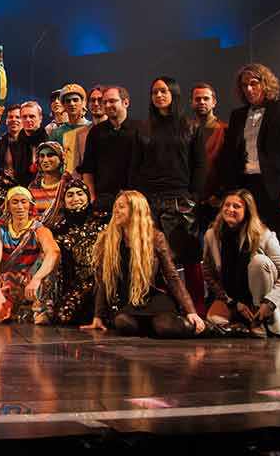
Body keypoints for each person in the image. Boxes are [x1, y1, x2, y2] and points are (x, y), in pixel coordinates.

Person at [218, 63, 280, 274]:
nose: (249, 89)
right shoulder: (237, 115)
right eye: (244, 85)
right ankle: (253, 293)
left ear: (265, 83)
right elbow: (229, 158)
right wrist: (229, 192)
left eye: (254, 83)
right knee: (247, 245)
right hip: (246, 188)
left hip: (276, 190)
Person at [82, 191, 204, 337]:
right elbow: (103, 280)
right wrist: (98, 316)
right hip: (132, 302)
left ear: (136, 210)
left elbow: (172, 276)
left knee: (165, 327)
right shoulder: (108, 239)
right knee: (123, 323)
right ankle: (150, 326)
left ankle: (204, 328)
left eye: (121, 206)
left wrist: (191, 311)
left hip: (155, 298)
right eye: (115, 206)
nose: (116, 210)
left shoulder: (155, 237)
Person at [132, 76, 207, 312]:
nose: (159, 95)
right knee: (155, 258)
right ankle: (165, 307)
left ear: (173, 93)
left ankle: (197, 308)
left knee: (190, 256)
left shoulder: (191, 126)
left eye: (163, 91)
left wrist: (194, 197)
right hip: (150, 200)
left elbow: (200, 165)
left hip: (181, 199)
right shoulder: (143, 128)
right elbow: (136, 166)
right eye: (155, 92)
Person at [203, 190, 280, 338]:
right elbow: (208, 274)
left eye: (236, 206)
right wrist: (233, 302)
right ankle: (242, 321)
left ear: (247, 212)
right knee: (214, 320)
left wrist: (269, 303)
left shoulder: (263, 235)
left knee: (259, 262)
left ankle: (260, 319)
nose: (230, 209)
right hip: (232, 297)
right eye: (227, 205)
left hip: (263, 299)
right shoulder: (212, 235)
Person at [0, 186, 60, 324]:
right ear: (8, 206)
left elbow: (54, 253)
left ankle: (38, 308)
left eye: (23, 202)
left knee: (48, 264)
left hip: (30, 280)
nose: (19, 206)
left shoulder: (39, 230)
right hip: (6, 280)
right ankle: (18, 311)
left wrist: (36, 279)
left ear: (30, 205)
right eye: (15, 202)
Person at [47, 176, 104, 324]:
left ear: (88, 197)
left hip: (102, 283)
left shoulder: (102, 221)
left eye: (80, 193)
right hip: (76, 284)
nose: (75, 198)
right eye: (70, 195)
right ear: (64, 200)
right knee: (63, 317)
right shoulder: (59, 229)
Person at [79, 86, 138, 212]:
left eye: (112, 101)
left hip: (134, 200)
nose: (107, 105)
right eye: (104, 102)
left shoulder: (140, 130)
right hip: (103, 201)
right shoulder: (95, 132)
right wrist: (92, 198)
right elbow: (88, 169)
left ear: (126, 103)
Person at [190, 82, 228, 227]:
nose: (201, 102)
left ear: (214, 102)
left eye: (206, 98)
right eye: (197, 99)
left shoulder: (226, 131)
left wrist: (220, 194)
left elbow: (231, 166)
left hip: (216, 201)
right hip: (191, 200)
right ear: (192, 102)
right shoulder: (186, 131)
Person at [48, 84, 91, 174]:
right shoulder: (56, 133)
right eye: (68, 101)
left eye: (75, 100)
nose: (72, 104)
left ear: (83, 102)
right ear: (63, 105)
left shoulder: (92, 129)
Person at [28, 141, 67, 220]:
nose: (45, 160)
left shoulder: (67, 185)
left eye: (50, 155)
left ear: (60, 159)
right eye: (42, 156)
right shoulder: (33, 187)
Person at [0, 103, 22, 174]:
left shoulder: (31, 143)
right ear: (6, 121)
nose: (14, 119)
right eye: (10, 117)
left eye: (17, 117)